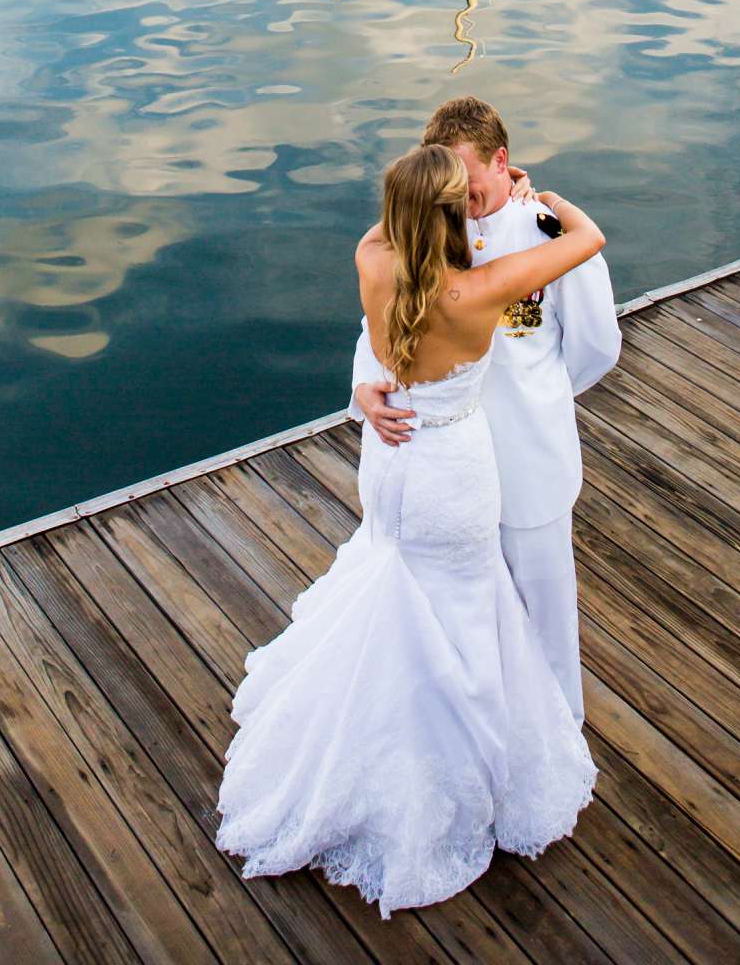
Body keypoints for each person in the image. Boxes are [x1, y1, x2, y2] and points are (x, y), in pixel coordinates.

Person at [216, 144, 600, 918]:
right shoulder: (482, 289)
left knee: (392, 589)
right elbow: (585, 239)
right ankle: (463, 776)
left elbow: (396, 223)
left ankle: (369, 749)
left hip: (391, 463)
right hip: (455, 469)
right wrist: (543, 191)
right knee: (461, 617)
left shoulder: (371, 260)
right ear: (453, 212)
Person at [352, 96, 619, 722]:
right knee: (443, 618)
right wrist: (366, 386)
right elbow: (379, 328)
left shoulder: (543, 238)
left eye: (469, 190)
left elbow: (594, 348)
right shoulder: (425, 235)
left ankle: (554, 735)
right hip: (442, 472)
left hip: (527, 461)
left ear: (504, 163)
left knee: (542, 612)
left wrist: (539, 404)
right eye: (451, 194)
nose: (460, 207)